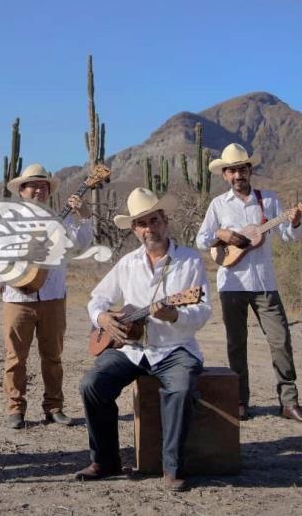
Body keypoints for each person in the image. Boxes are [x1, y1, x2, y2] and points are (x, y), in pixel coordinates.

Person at [76, 187, 210, 492]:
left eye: (154, 220)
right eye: (141, 223)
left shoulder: (189, 261)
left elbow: (202, 311)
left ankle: (172, 468)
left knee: (180, 388)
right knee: (92, 385)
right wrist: (104, 319)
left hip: (174, 348)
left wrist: (174, 316)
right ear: (135, 229)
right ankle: (105, 461)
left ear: (165, 221)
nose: (149, 228)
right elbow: (97, 299)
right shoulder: (127, 263)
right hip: (132, 349)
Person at [195, 143, 302, 423]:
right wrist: (223, 234)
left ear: (250, 170)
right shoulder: (218, 205)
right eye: (232, 170)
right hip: (232, 283)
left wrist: (296, 221)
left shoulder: (270, 200)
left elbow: (288, 236)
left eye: (242, 168)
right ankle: (239, 400)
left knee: (280, 340)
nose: (238, 174)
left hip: (265, 282)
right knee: (237, 344)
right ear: (225, 175)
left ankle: (289, 402)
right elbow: (202, 240)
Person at [0, 163, 92, 429]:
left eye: (43, 186)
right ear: (22, 190)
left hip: (53, 295)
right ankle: (15, 407)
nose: (39, 190)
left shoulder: (59, 219)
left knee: (52, 356)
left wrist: (84, 217)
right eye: (33, 186)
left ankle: (54, 406)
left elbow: (81, 244)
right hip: (17, 297)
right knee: (16, 357)